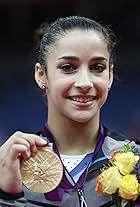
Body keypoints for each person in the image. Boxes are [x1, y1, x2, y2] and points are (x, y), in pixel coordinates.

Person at [0, 16, 139, 207]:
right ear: (41, 75)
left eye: (97, 68)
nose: (84, 83)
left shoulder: (136, 162)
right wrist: (7, 198)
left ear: (110, 76)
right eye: (68, 67)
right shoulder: (9, 165)